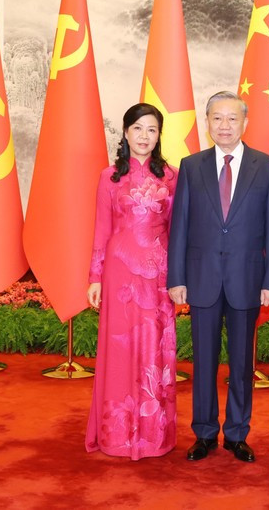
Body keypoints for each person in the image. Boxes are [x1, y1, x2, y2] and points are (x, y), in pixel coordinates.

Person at [168, 91, 269, 464]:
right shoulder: (191, 166)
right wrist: (176, 277)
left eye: (232, 119)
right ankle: (203, 432)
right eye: (217, 118)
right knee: (203, 362)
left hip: (246, 279)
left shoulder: (267, 167)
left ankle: (236, 433)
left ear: (245, 123)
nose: (224, 126)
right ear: (207, 123)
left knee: (241, 365)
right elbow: (180, 227)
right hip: (201, 279)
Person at [85, 103, 178, 460]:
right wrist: (95, 276)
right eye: (138, 128)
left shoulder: (171, 176)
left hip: (159, 275)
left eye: (152, 130)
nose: (144, 136)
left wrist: (178, 276)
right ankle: (118, 435)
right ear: (125, 133)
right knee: (120, 350)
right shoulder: (109, 177)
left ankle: (155, 436)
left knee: (156, 349)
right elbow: (101, 230)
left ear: (159, 135)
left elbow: (176, 230)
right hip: (119, 274)